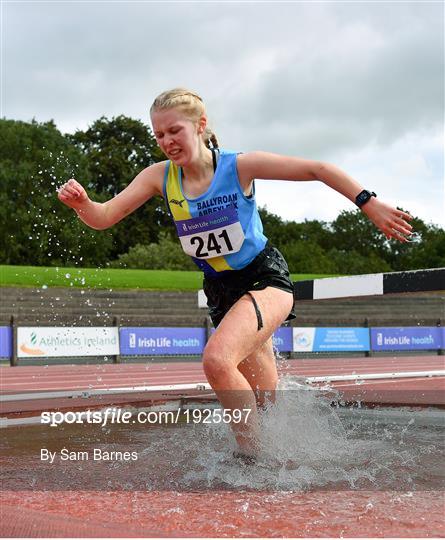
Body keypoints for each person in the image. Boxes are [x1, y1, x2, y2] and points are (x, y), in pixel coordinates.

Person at [58, 88, 413, 461]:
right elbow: (103, 217)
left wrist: (368, 203)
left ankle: (250, 461)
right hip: (222, 293)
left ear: (201, 126)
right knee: (266, 404)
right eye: (159, 135)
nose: (166, 142)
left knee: (216, 361)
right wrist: (83, 204)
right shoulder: (158, 177)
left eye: (174, 131)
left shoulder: (238, 166)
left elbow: (317, 169)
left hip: (264, 279)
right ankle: (290, 458)